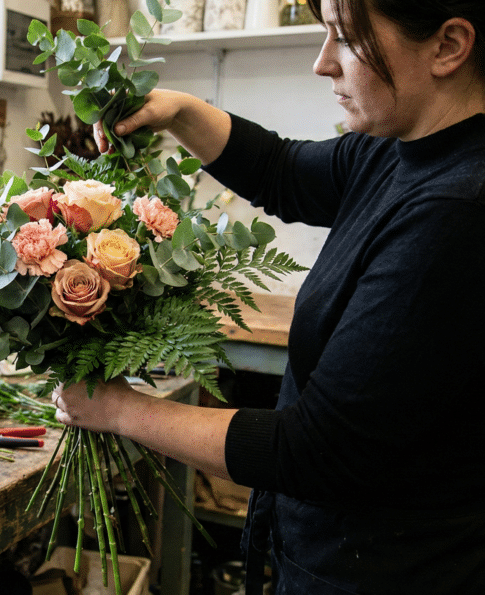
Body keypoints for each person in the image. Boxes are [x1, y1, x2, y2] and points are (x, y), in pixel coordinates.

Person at [50, 0, 485, 592]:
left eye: (346, 39)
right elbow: (282, 170)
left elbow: (316, 449)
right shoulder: (400, 151)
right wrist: (178, 110)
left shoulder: (456, 213)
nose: (323, 63)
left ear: (448, 46)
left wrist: (119, 409)